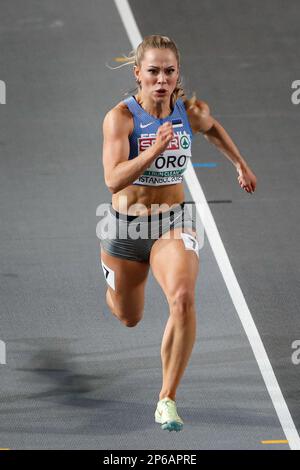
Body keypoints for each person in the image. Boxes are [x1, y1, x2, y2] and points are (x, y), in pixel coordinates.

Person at [99, 35, 257, 432]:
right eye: (153, 71)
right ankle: (113, 289)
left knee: (183, 298)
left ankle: (166, 398)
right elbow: (112, 179)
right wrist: (152, 151)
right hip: (125, 227)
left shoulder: (188, 110)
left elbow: (212, 127)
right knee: (128, 316)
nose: (161, 79)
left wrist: (240, 163)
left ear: (177, 74)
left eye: (169, 71)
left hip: (173, 221)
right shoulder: (121, 117)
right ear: (138, 73)